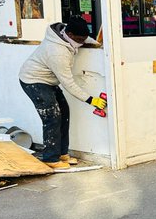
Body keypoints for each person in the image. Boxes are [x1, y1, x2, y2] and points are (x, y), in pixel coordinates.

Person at [18, 17, 106, 168]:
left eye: (84, 39)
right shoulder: (57, 52)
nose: (82, 43)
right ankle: (51, 159)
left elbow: (86, 38)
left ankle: (62, 153)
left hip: (49, 80)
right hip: (34, 81)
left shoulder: (68, 33)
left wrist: (96, 44)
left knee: (64, 112)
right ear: (70, 34)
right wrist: (91, 100)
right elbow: (68, 84)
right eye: (79, 40)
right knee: (52, 117)